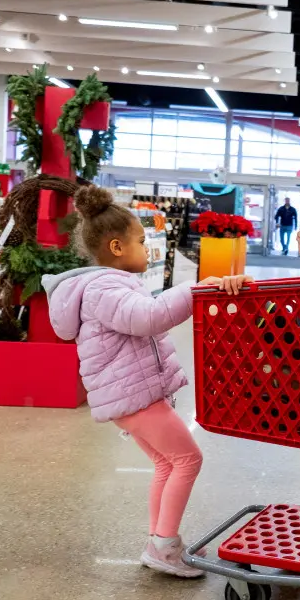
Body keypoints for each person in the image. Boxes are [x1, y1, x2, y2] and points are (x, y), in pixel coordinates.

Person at [43, 185, 247, 579]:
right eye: (141, 241)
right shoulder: (104, 287)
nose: (147, 248)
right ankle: (163, 546)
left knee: (166, 464)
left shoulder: (108, 285)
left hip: (132, 394)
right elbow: (147, 318)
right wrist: (195, 288)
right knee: (188, 460)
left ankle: (161, 539)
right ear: (116, 247)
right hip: (135, 397)